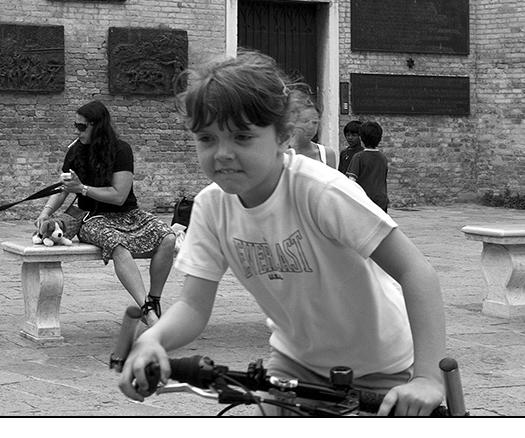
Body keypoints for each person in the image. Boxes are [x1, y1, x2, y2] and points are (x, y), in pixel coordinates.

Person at [117, 50, 446, 416]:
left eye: (242, 137)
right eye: (206, 139)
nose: (222, 153)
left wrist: (427, 379)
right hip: (294, 364)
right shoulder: (212, 207)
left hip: (381, 368)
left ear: (283, 136)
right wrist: (153, 340)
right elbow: (194, 305)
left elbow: (415, 271)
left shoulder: (320, 191)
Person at [35, 100, 176, 325]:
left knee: (168, 237)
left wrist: (82, 189)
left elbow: (119, 195)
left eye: (82, 127)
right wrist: (46, 212)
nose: (77, 131)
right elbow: (63, 188)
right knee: (117, 244)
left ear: (97, 126)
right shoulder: (75, 151)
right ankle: (147, 310)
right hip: (92, 218)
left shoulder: (121, 150)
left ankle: (154, 299)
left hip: (129, 214)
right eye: (76, 125)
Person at [346, 121, 390, 212]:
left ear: (361, 139)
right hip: (381, 201)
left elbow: (351, 182)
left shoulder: (358, 157)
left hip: (364, 202)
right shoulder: (383, 158)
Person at [287, 91, 337, 169]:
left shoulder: (326, 154)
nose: (310, 127)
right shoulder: (281, 152)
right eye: (305, 121)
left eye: (315, 122)